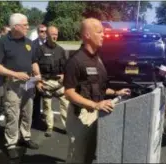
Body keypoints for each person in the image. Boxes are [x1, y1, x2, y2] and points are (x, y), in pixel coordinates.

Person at [64, 18, 131, 163]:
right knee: (77, 157)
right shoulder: (75, 61)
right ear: (87, 35)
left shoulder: (97, 59)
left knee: (89, 154)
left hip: (96, 113)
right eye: (99, 32)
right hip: (82, 116)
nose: (103, 35)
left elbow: (99, 87)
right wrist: (94, 105)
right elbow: (68, 92)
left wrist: (116, 93)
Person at [0, 13, 41, 159]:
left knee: (28, 112)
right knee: (13, 114)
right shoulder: (3, 42)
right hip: (12, 84)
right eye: (25, 25)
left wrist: (37, 74)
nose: (28, 27)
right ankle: (11, 143)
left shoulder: (28, 42)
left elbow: (33, 61)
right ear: (15, 27)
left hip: (29, 83)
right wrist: (15, 74)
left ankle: (25, 137)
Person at [35, 26, 69, 137]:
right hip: (46, 83)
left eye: (56, 34)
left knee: (65, 105)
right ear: (47, 35)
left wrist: (65, 75)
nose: (55, 37)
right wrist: (38, 82)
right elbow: (35, 67)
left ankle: (67, 126)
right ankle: (49, 127)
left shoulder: (61, 50)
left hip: (59, 83)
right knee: (47, 106)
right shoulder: (40, 50)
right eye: (52, 34)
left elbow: (66, 67)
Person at [32, 24, 47, 125]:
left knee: (47, 98)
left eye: (45, 31)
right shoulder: (32, 44)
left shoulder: (50, 44)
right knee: (36, 98)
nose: (44, 33)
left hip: (47, 75)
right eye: (41, 31)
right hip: (36, 75)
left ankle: (46, 118)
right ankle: (36, 118)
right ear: (38, 32)